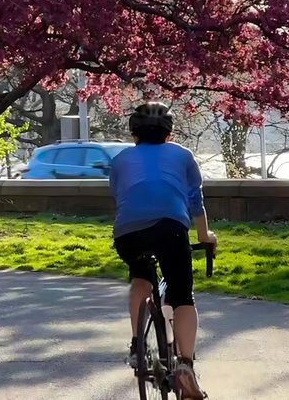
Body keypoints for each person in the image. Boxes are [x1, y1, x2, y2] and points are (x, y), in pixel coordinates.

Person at [109, 102, 217, 400]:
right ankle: (185, 364)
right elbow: (195, 200)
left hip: (128, 232)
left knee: (141, 278)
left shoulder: (120, 160)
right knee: (182, 295)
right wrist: (204, 235)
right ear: (170, 134)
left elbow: (121, 197)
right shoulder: (182, 155)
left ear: (134, 134)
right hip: (170, 228)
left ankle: (136, 346)